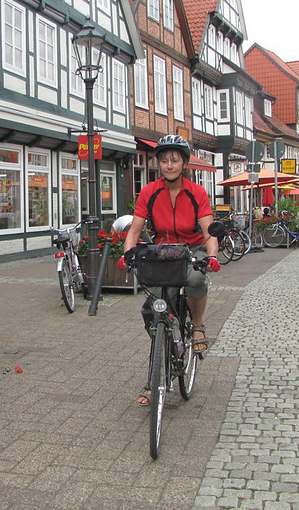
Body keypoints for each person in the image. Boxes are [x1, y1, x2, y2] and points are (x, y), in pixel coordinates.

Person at [118, 135, 220, 406]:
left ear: (184, 163)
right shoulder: (149, 191)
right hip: (164, 251)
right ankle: (157, 370)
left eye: (175, 160)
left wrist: (211, 256)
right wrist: (126, 254)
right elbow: (135, 229)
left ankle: (197, 326)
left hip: (193, 247)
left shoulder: (196, 192)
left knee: (197, 277)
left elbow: (209, 230)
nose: (169, 165)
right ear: (159, 164)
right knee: (156, 309)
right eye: (164, 160)